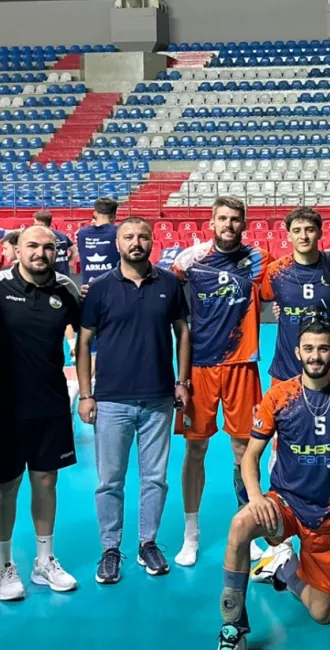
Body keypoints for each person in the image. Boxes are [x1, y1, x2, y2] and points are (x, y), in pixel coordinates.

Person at [205, 320, 330, 650]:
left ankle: (283, 563)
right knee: (239, 527)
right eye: (309, 349)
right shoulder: (279, 396)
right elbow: (250, 457)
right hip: (284, 504)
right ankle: (233, 631)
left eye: (323, 348)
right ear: (298, 352)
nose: (316, 356)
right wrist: (255, 498)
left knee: (323, 613)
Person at [77, 218, 191, 583]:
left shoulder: (169, 284)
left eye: (143, 236)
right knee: (110, 480)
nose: (136, 242)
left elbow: (182, 334)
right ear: (117, 243)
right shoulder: (100, 288)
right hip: (112, 401)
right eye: (128, 237)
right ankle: (110, 549)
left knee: (155, 479)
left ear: (153, 241)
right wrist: (86, 394)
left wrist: (182, 381)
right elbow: (83, 342)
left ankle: (148, 543)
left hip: (158, 399)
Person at [0, 226, 83, 600]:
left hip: (51, 403)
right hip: (4, 407)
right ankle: (4, 567)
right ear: (16, 250)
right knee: (5, 486)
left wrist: (88, 391)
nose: (40, 253)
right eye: (32, 246)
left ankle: (44, 560)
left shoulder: (66, 289)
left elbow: (86, 335)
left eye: (48, 247)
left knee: (46, 481)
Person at [172, 197, 269, 567]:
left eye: (235, 219)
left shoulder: (258, 259)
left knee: (244, 450)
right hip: (200, 366)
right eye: (223, 218)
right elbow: (157, 287)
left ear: (244, 224)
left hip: (242, 364)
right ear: (211, 222)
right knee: (195, 449)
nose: (229, 224)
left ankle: (248, 527)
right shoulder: (190, 260)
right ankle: (191, 534)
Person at [260, 206, 330, 386]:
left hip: (328, 369)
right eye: (297, 231)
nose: (303, 236)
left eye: (309, 230)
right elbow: (265, 300)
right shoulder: (275, 271)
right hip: (285, 369)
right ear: (289, 236)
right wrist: (281, 309)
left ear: (320, 233)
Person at [75, 196, 120, 284]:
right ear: (114, 215)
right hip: (113, 286)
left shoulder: (81, 233)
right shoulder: (119, 232)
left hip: (88, 287)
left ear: (95, 214)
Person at [33, 210, 78, 277]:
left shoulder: (40, 237)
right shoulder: (62, 235)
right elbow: (75, 251)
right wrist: (66, 262)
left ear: (41, 224)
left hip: (48, 277)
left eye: (35, 222)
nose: (34, 224)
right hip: (64, 276)